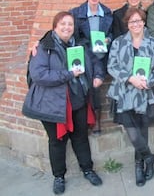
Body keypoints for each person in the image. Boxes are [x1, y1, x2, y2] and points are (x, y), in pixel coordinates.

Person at [22, 11, 105, 195]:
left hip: (79, 101)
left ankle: (87, 169)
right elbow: (39, 75)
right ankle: (59, 176)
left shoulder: (80, 45)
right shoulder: (44, 47)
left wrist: (98, 75)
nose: (67, 28)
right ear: (55, 27)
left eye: (70, 24)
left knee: (81, 138)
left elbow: (94, 62)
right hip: (54, 104)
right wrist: (68, 74)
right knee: (57, 141)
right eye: (63, 24)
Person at [107, 7, 154, 186]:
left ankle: (140, 166)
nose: (136, 24)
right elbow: (112, 66)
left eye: (139, 21)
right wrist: (130, 78)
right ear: (127, 24)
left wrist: (149, 81)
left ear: (143, 22)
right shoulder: (118, 43)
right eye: (132, 22)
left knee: (142, 131)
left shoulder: (153, 43)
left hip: (145, 94)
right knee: (133, 134)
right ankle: (148, 158)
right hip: (125, 94)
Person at [70, 0, 113, 134]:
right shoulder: (76, 13)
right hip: (86, 55)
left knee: (96, 86)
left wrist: (108, 39)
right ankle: (87, 122)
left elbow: (111, 33)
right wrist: (87, 44)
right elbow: (73, 37)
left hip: (101, 55)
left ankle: (96, 121)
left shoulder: (107, 13)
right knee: (87, 87)